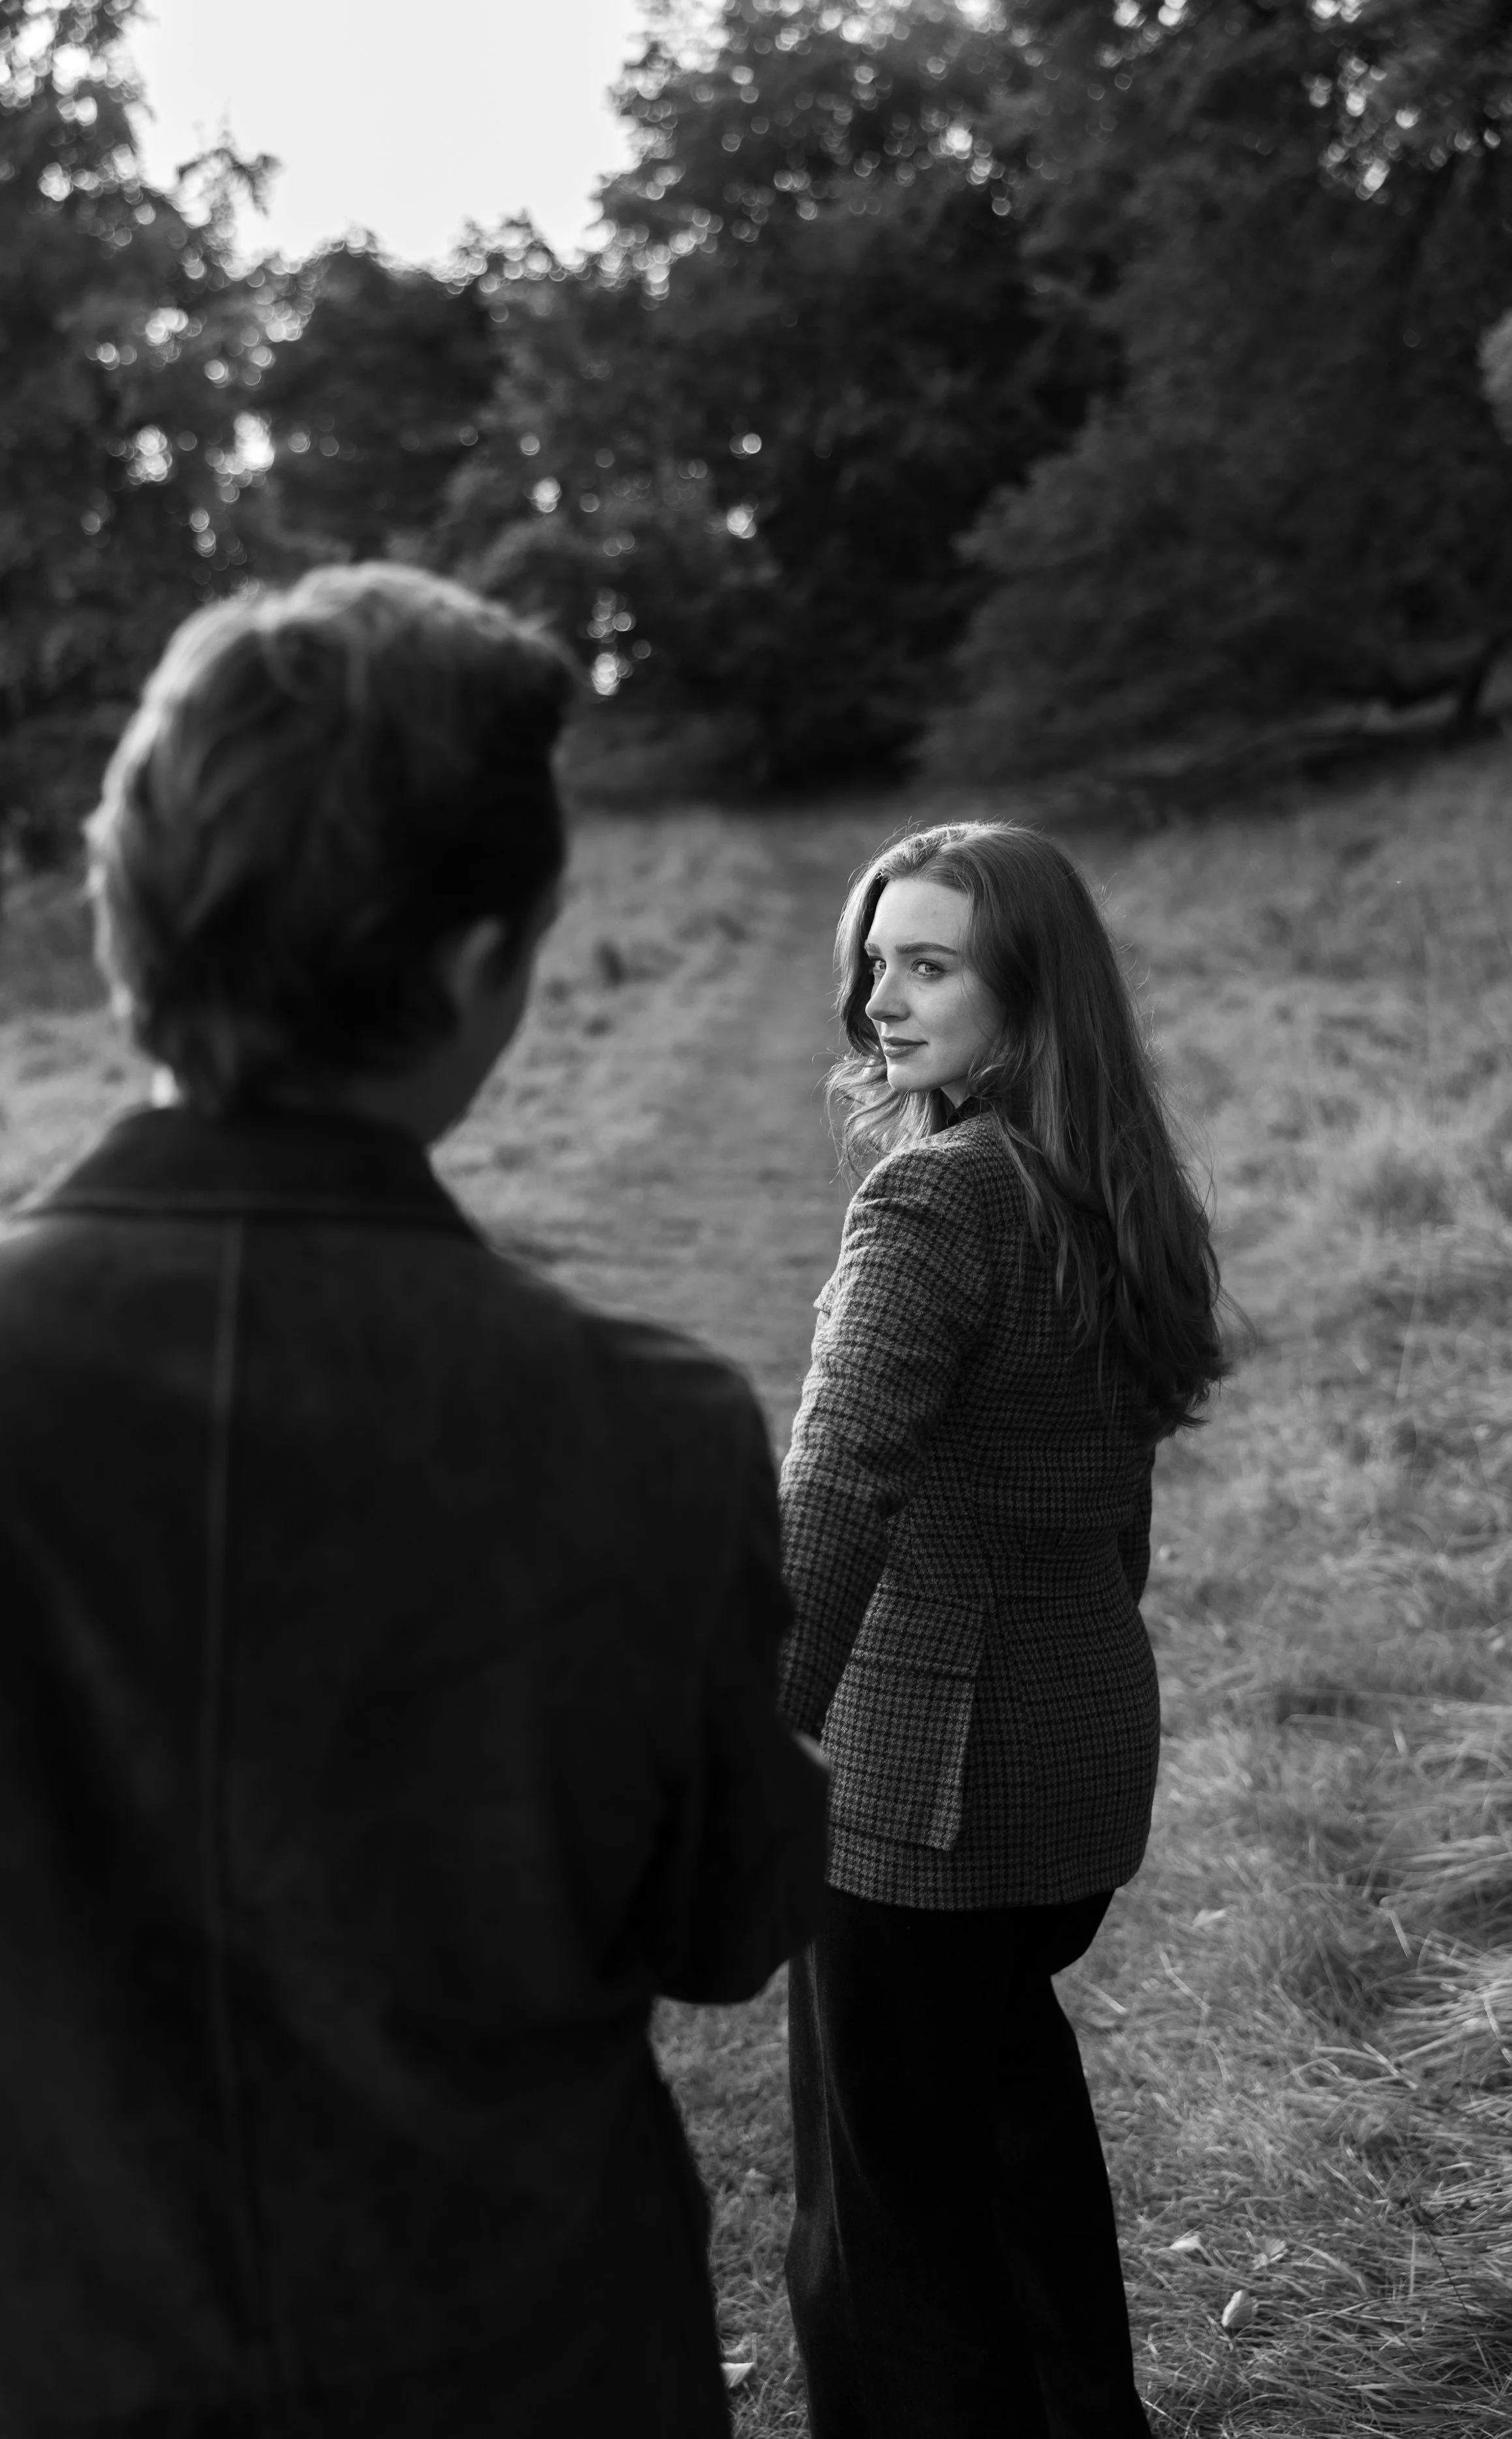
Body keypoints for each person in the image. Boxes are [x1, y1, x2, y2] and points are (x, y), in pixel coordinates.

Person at [0, 565, 828, 2439]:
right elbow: (731, 1924)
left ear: (114, 926)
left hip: (11, 2381)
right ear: (486, 965)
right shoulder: (652, 1432)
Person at [776, 820, 1228, 2438]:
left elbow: (834, 1490)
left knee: (884, 2243)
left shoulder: (937, 1197)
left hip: (918, 1795)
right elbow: (1119, 1514)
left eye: (928, 965)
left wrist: (745, 1748)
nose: (878, 1003)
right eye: (873, 963)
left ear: (1027, 992)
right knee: (1013, 2138)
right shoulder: (1116, 1186)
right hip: (1074, 1768)